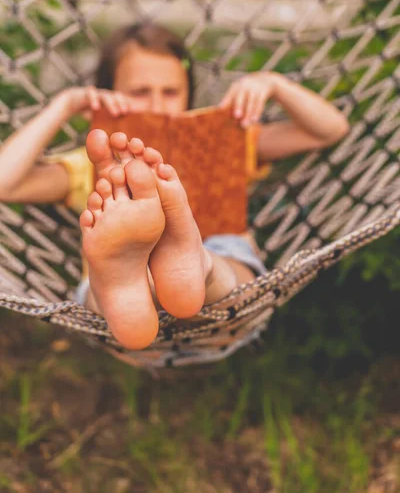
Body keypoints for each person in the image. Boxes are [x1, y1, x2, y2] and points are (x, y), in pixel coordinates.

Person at [0, 23, 349, 351]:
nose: (155, 104)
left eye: (170, 92)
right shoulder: (95, 163)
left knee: (225, 259)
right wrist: (65, 105)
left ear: (188, 93)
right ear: (107, 94)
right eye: (140, 92)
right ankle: (139, 278)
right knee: (107, 291)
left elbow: (328, 130)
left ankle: (190, 264)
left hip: (224, 300)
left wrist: (274, 85)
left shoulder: (224, 143)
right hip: (133, 319)